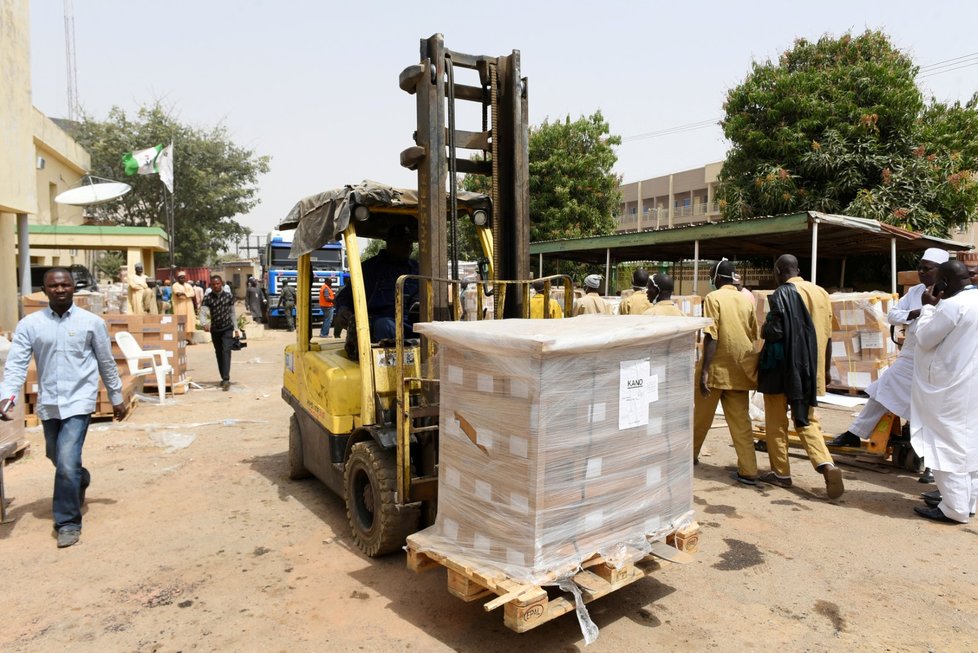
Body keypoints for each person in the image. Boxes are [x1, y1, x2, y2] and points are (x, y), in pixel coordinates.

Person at [0, 268, 127, 548]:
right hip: (49, 403)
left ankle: (68, 521)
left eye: (65, 285)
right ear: (44, 290)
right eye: (54, 286)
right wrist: (7, 396)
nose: (60, 290)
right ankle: (81, 478)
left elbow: (106, 362)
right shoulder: (30, 325)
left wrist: (116, 396)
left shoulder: (91, 323)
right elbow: (17, 364)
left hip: (79, 400)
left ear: (73, 288)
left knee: (67, 460)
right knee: (57, 457)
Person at [830, 248, 948, 448]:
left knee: (929, 406)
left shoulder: (950, 295)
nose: (922, 272)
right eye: (920, 268)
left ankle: (927, 454)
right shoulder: (915, 292)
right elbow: (893, 315)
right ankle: (855, 433)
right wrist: (917, 312)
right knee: (882, 389)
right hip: (911, 354)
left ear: (941, 270)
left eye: (927, 268)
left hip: (936, 359)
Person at [757, 254, 844, 499]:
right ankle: (826, 464)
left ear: (777, 270)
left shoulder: (782, 293)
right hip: (812, 368)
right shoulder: (821, 293)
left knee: (776, 422)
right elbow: (828, 335)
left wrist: (763, 329)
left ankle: (781, 473)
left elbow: (774, 332)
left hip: (783, 368)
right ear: (798, 269)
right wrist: (825, 370)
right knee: (806, 419)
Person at [909, 260, 978, 524]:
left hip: (949, 389)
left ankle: (954, 508)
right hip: (970, 385)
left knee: (946, 445)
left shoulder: (951, 306)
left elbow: (925, 338)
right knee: (969, 446)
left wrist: (928, 307)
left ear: (945, 283)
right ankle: (966, 504)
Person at [692, 260, 760, 484]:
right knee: (741, 422)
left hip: (716, 368)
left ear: (718, 278)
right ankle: (749, 470)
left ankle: (688, 456)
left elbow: (712, 335)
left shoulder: (713, 298)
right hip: (740, 369)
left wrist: (704, 372)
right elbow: (752, 334)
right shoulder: (746, 300)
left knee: (701, 418)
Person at [334, 223, 420, 341]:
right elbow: (346, 295)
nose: (408, 246)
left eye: (410, 242)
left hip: (411, 323)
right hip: (380, 324)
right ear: (389, 243)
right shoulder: (369, 269)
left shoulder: (417, 269)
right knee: (384, 326)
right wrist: (343, 308)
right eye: (403, 242)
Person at [200, 274, 240, 391]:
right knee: (218, 353)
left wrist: (236, 328)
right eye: (213, 284)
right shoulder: (208, 298)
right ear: (211, 285)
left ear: (221, 283)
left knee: (226, 351)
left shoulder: (228, 297)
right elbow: (203, 312)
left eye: (218, 284)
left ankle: (226, 379)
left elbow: (232, 313)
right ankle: (223, 377)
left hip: (227, 328)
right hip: (215, 329)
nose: (216, 286)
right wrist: (204, 323)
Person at [171, 271, 198, 339]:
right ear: (178, 278)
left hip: (189, 305)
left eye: (183, 278)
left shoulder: (188, 285)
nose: (182, 279)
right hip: (180, 305)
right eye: (181, 278)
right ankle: (181, 338)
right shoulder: (175, 285)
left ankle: (189, 338)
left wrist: (184, 293)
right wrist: (187, 294)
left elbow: (192, 294)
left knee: (189, 320)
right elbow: (178, 295)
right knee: (181, 320)